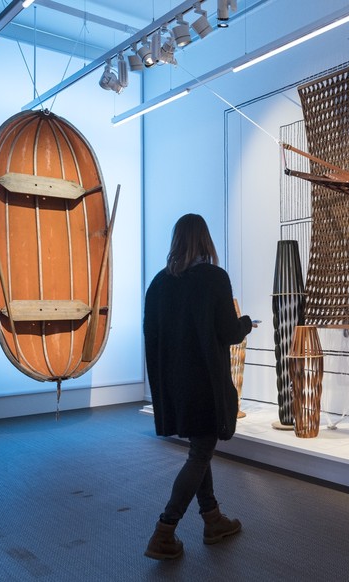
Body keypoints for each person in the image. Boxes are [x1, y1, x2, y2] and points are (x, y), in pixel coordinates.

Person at [143, 213, 254, 560]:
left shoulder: (159, 284)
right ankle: (164, 531)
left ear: (176, 241)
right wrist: (247, 323)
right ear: (205, 240)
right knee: (200, 454)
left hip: (173, 385)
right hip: (204, 384)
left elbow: (151, 336)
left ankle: (213, 519)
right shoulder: (214, 278)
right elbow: (228, 332)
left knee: (199, 450)